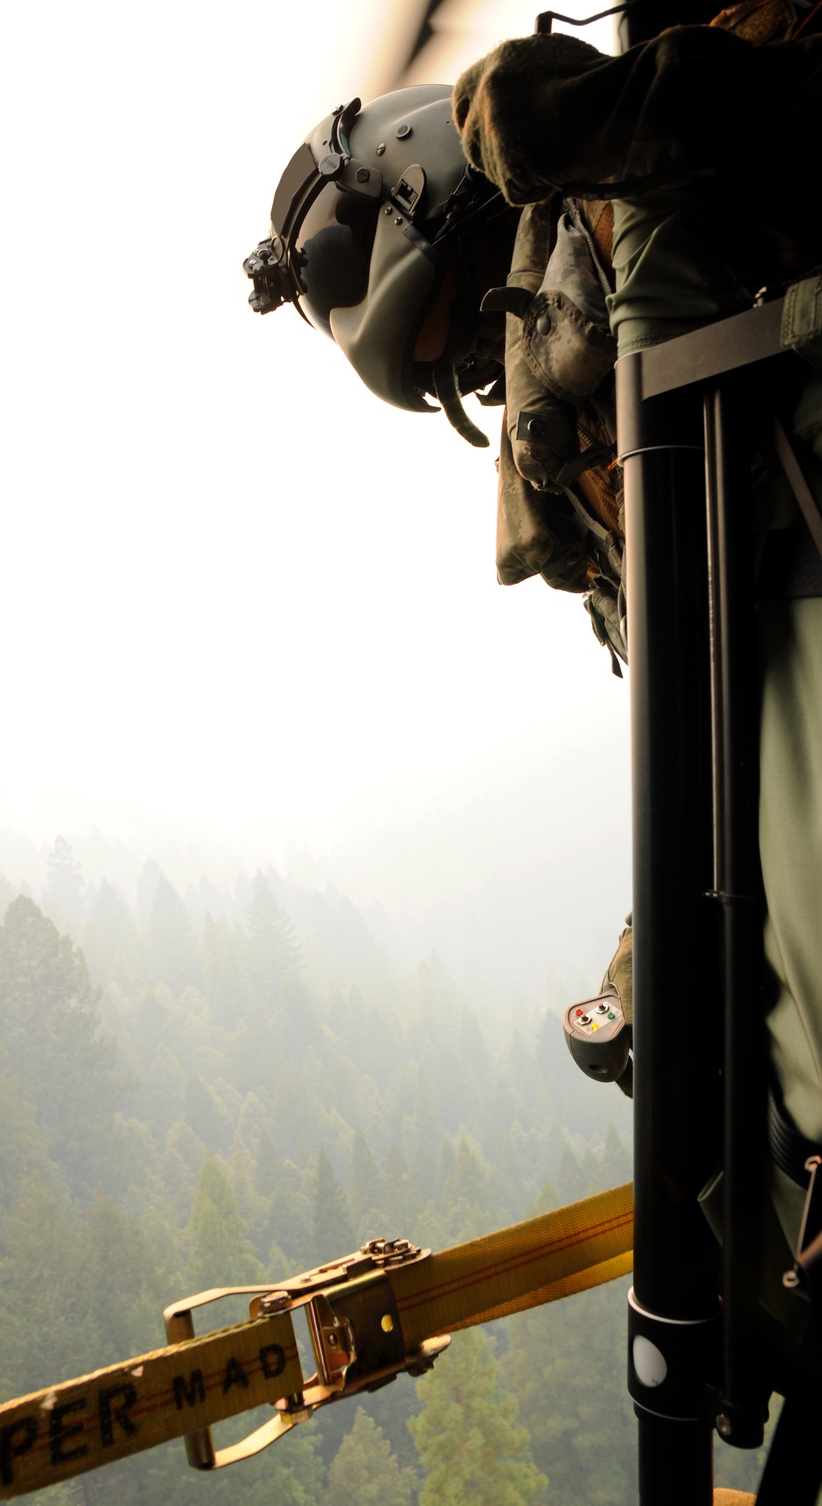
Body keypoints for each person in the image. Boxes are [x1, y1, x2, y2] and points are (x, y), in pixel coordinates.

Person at [245, 0, 822, 1270]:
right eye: (478, 374)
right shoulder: (589, 491)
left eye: (477, 316)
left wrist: (627, 122)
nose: (510, 384)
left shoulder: (676, 151)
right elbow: (705, 726)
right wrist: (658, 936)